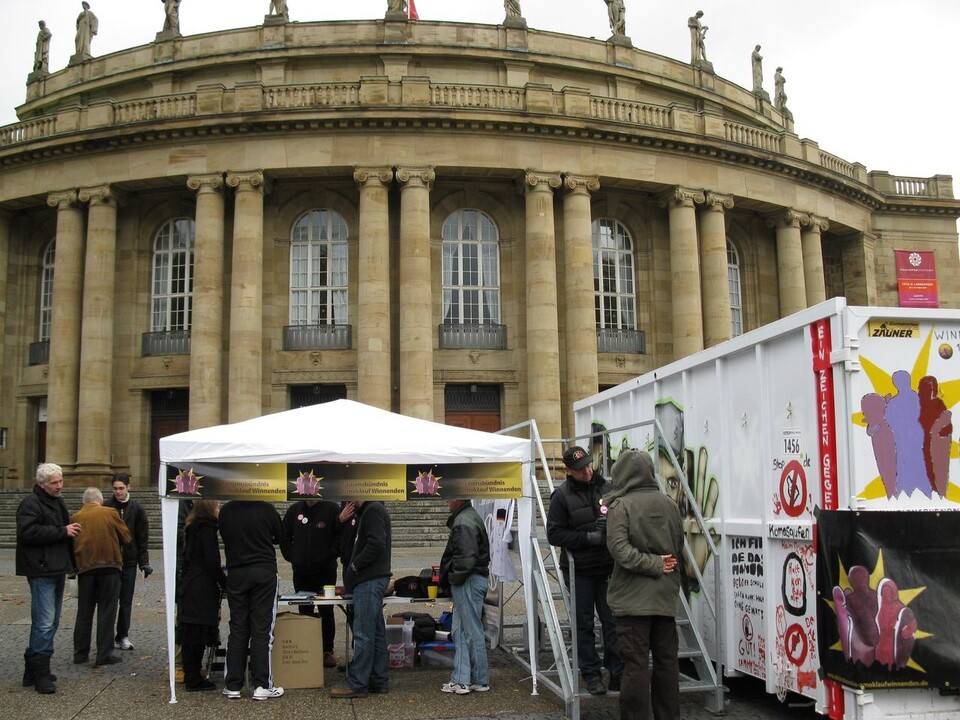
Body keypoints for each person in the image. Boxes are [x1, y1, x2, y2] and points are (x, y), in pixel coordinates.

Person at [605, 448, 684, 720]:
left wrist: (652, 564)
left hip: (631, 602)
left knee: (635, 667)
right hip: (664, 598)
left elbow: (619, 550)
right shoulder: (670, 504)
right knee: (666, 665)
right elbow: (678, 546)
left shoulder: (621, 506)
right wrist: (661, 564)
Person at [547, 445, 622, 695]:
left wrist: (610, 526)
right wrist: (588, 538)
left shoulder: (607, 489)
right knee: (584, 624)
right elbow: (554, 533)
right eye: (580, 469)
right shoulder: (561, 496)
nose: (587, 471)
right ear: (568, 471)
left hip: (608, 566)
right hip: (579, 569)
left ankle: (617, 671)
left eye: (589, 465)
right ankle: (591, 674)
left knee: (613, 621)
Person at [16, 462, 80, 694]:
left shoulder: (57, 501)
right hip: (41, 569)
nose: (59, 486)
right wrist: (62, 531)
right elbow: (27, 533)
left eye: (61, 481)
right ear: (41, 484)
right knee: (44, 622)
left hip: (56, 567)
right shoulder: (30, 504)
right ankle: (40, 672)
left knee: (50, 622)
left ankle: (33, 669)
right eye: (54, 483)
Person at [218, 500, 284, 701]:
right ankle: (262, 684)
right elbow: (280, 537)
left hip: (237, 571)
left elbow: (225, 536)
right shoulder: (266, 509)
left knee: (237, 627)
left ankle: (233, 685)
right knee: (262, 629)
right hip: (263, 571)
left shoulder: (227, 510)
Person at [329, 499, 392, 698]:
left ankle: (357, 683)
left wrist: (355, 565)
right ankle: (378, 679)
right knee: (376, 632)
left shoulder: (372, 510)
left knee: (364, 633)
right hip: (371, 578)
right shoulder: (371, 510)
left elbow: (376, 543)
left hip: (368, 579)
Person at [71, 486, 131, 667]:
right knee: (107, 611)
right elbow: (126, 537)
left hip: (85, 569)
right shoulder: (110, 512)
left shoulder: (76, 517)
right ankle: (104, 654)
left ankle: (80, 653)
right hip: (109, 567)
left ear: (84, 502)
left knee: (84, 613)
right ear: (100, 500)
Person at [280, 497, 342, 668]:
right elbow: (284, 536)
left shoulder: (331, 508)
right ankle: (307, 648)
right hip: (301, 572)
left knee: (326, 610)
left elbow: (339, 535)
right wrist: (293, 557)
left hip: (325, 571)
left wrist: (330, 554)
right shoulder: (294, 510)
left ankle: (327, 650)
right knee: (304, 609)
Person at [437, 498, 490, 695]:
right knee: (461, 630)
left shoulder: (463, 521)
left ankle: (468, 679)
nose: (447, 502)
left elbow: (466, 559)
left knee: (469, 630)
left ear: (457, 499)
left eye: (449, 497)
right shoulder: (467, 517)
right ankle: (469, 678)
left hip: (467, 581)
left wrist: (452, 578)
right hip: (472, 579)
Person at [178, 500, 227, 692]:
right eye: (217, 505)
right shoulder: (206, 528)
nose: (219, 508)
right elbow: (212, 563)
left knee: (191, 631)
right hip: (201, 586)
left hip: (192, 583)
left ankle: (193, 674)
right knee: (196, 633)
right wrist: (225, 583)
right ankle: (193, 677)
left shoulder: (193, 526)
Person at [104, 474, 152, 651]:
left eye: (121, 488)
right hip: (110, 561)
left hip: (129, 562)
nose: (118, 492)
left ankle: (122, 635)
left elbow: (142, 537)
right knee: (108, 601)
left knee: (125, 601)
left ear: (128, 487)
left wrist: (144, 562)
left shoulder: (137, 508)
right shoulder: (106, 506)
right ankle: (106, 638)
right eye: (115, 488)